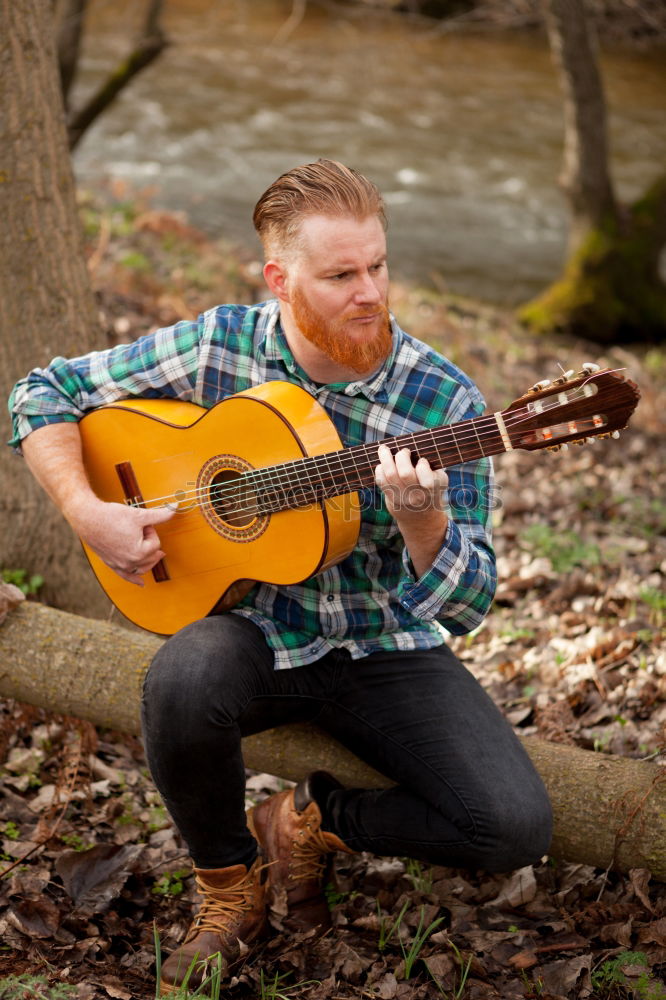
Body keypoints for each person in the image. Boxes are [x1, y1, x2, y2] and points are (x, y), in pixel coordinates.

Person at [8, 160, 552, 993]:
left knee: (511, 825)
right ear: (280, 278)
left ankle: (308, 822)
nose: (369, 292)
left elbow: (472, 603)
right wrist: (88, 512)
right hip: (254, 628)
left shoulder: (443, 401)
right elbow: (42, 393)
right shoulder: (223, 344)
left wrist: (421, 521)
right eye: (340, 275)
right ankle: (228, 887)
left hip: (380, 642)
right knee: (182, 677)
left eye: (377, 266)